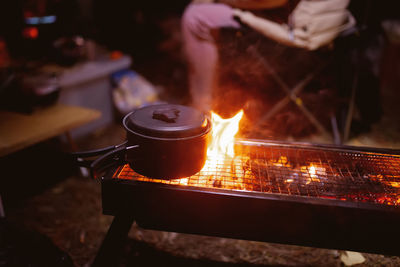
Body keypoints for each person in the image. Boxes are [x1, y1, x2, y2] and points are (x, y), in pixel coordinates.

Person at [181, 0, 354, 113]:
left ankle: (202, 110)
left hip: (299, 25)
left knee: (195, 17)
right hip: (326, 22)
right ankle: (216, 99)